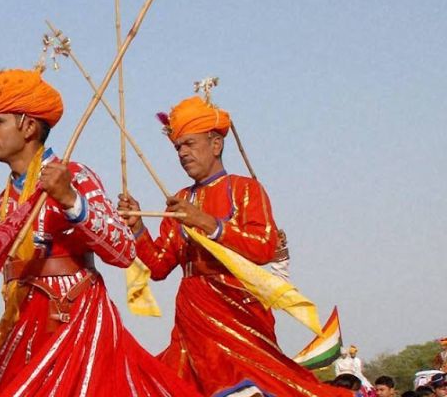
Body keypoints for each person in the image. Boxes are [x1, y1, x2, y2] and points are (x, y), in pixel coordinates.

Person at [0, 68, 199, 396]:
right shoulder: (4, 201)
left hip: (74, 320)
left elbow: (123, 250)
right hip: (25, 323)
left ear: (28, 126)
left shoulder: (74, 176)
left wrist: (70, 200)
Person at [120, 95, 350, 397]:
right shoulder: (181, 199)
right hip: (193, 313)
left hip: (238, 310)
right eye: (178, 147)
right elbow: (160, 266)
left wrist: (206, 222)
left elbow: (263, 247)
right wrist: (137, 227)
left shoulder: (246, 189)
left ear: (216, 144)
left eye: (189, 144)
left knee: (252, 384)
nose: (183, 153)